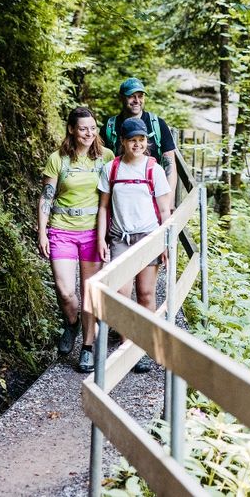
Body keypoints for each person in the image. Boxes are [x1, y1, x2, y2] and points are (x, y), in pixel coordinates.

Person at [38, 106, 114, 374]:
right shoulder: (57, 159)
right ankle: (71, 321)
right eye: (83, 128)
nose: (89, 133)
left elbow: (116, 195)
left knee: (90, 292)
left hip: (93, 233)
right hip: (61, 230)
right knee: (66, 291)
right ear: (71, 129)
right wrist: (41, 231)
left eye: (93, 128)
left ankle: (88, 347)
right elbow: (47, 196)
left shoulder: (105, 157)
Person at [96, 117, 172, 374]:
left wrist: (166, 244)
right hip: (120, 238)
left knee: (146, 294)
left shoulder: (154, 169)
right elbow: (103, 207)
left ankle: (143, 346)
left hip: (149, 238)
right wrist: (100, 240)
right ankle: (129, 348)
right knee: (121, 294)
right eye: (132, 140)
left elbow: (164, 210)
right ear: (123, 142)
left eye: (141, 140)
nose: (137, 144)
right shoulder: (112, 169)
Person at [101, 77, 179, 205]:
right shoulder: (110, 127)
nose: (137, 101)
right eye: (131, 96)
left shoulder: (158, 125)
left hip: (153, 194)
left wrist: (169, 202)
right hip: (119, 197)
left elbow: (170, 165)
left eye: (140, 96)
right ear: (122, 98)